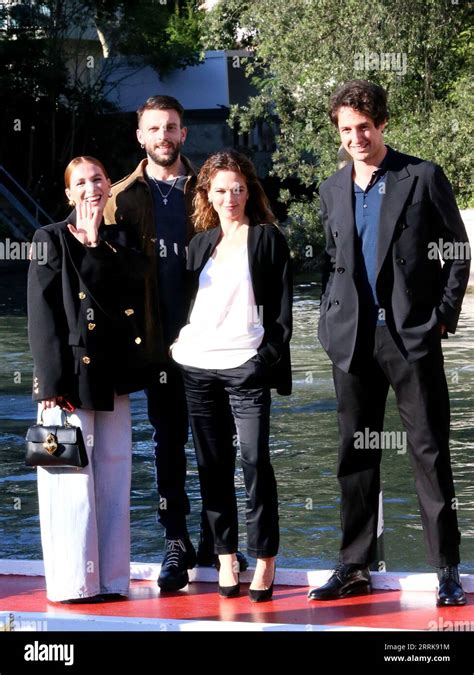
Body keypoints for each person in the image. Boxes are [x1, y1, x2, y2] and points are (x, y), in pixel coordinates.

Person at [309, 80, 470, 606]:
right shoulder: (332, 189)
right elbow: (336, 263)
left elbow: (456, 250)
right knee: (355, 456)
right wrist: (328, 321)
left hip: (410, 337)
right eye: (346, 130)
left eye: (364, 127)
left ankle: (446, 567)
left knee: (428, 451)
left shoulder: (421, 176)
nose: (356, 137)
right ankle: (353, 564)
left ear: (381, 125)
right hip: (351, 342)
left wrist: (441, 317)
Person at [103, 95, 247, 592]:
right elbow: (98, 277)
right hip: (158, 346)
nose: (163, 136)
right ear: (140, 136)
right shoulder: (119, 198)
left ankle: (218, 538)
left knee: (218, 444)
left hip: (215, 340)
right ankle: (174, 540)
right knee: (167, 445)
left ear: (184, 133)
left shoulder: (212, 190)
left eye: (171, 128)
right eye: (153, 129)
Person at [27, 156, 161, 603]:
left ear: (109, 186)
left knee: (115, 474)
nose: (90, 189)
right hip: (67, 381)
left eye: (98, 180)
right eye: (80, 183)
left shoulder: (120, 241)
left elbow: (132, 286)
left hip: (113, 375)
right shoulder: (49, 239)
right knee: (69, 479)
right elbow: (42, 321)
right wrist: (50, 388)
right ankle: (74, 585)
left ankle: (110, 581)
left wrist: (98, 241)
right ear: (68, 193)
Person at [171, 150, 293, 601]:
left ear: (249, 190)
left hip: (247, 366)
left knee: (255, 460)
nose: (231, 197)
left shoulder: (267, 239)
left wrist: (266, 358)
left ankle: (264, 559)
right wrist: (176, 344)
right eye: (221, 190)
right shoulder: (201, 243)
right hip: (198, 366)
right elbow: (184, 301)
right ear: (208, 193)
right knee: (212, 465)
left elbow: (281, 312)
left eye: (238, 188)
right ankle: (226, 556)